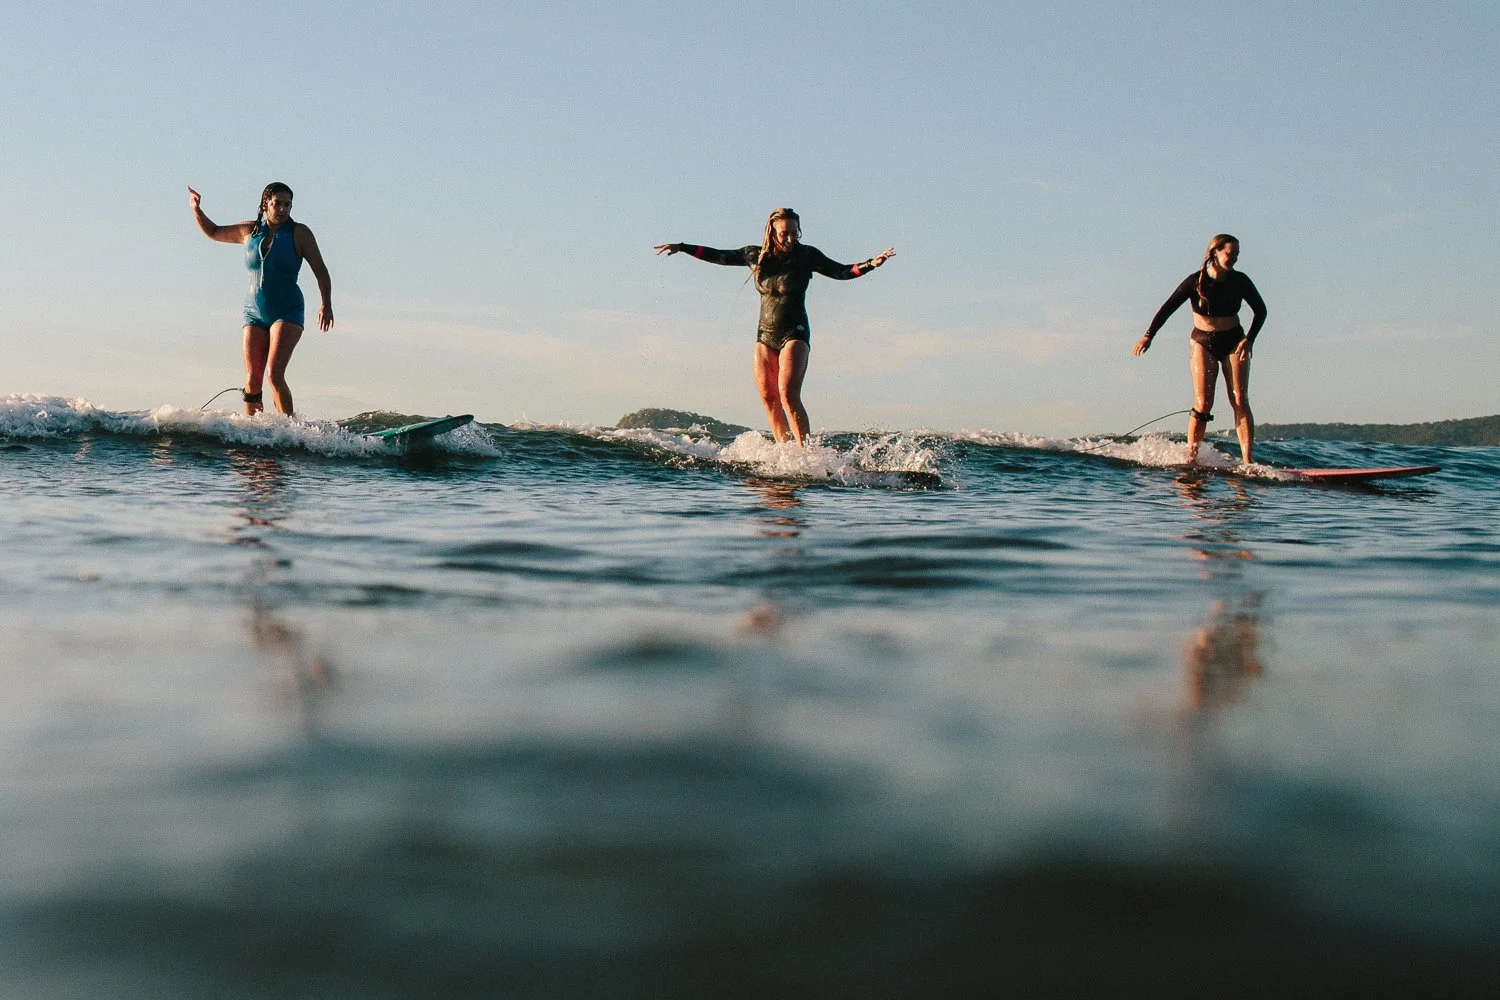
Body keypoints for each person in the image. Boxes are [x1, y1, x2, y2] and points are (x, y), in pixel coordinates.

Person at [655, 208, 894, 445]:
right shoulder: (755, 256)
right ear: (772, 232)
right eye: (784, 234)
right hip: (764, 336)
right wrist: (682, 247)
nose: (790, 238)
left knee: (788, 395)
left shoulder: (807, 255)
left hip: (794, 333)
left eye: (794, 233)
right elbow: (720, 256)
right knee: (769, 399)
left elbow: (840, 271)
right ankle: (785, 451)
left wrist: (870, 264)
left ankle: (806, 452)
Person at [188, 183, 333, 416]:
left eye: (288, 205)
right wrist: (196, 209)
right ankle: (253, 434)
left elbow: (321, 270)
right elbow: (214, 231)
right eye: (278, 204)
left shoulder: (299, 233)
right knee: (252, 380)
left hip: (288, 310)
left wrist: (326, 304)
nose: (283, 209)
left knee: (274, 374)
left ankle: (287, 431)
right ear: (266, 203)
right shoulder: (250, 231)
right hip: (253, 312)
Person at [1133, 234, 1266, 464]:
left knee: (1239, 398)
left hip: (1234, 340)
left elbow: (1261, 310)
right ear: (1215, 252)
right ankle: (1191, 458)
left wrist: (1250, 339)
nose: (1233, 259)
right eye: (1229, 254)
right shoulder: (1196, 281)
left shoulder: (1240, 281)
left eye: (1237, 255)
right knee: (1203, 402)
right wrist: (1148, 336)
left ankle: (1247, 461)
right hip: (1202, 342)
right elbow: (1167, 308)